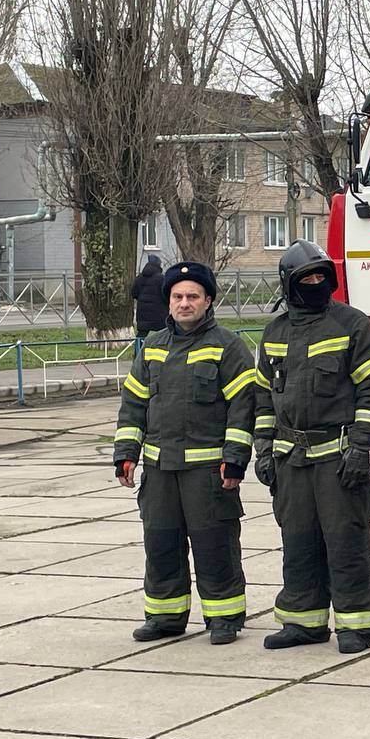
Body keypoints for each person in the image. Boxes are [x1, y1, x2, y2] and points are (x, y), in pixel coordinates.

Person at [253, 240, 370, 653]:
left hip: (338, 458)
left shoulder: (352, 324)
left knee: (346, 541)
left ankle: (356, 624)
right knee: (297, 542)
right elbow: (263, 398)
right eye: (306, 279)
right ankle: (302, 621)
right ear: (289, 285)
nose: (315, 284)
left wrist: (361, 447)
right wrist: (263, 448)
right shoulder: (275, 332)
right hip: (290, 460)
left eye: (320, 277)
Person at [113, 261, 257, 645]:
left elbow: (244, 407)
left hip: (208, 473)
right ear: (168, 301)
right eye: (178, 296)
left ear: (208, 301)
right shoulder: (153, 348)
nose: (184, 303)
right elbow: (133, 406)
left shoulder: (229, 347)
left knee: (214, 546)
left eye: (193, 296)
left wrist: (236, 458)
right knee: (160, 544)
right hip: (159, 473)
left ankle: (224, 618)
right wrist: (126, 453)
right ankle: (165, 617)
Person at [130, 254, 168, 339]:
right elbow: (166, 294)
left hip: (142, 314)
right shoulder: (161, 278)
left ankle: (138, 351)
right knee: (164, 335)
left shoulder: (139, 278)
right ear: (158, 265)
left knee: (141, 335)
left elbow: (134, 293)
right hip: (159, 314)